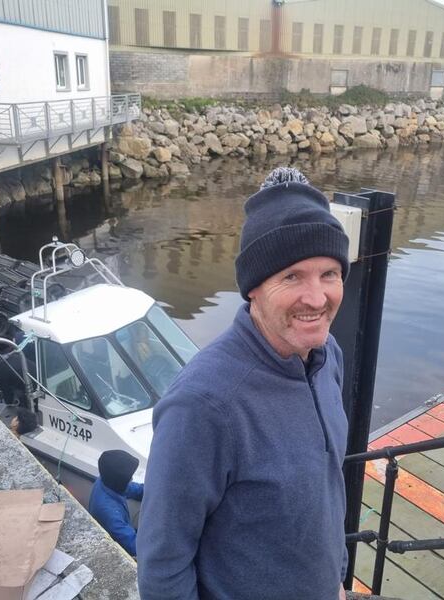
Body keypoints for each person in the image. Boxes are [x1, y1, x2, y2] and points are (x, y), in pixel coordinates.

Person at [137, 167, 351, 600]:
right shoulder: (204, 405)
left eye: (329, 273)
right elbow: (162, 566)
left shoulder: (328, 357)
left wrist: (336, 580)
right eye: (291, 276)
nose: (316, 297)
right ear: (253, 288)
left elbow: (324, 487)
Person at [88, 449, 144, 557]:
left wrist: (158, 490)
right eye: (129, 478)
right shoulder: (109, 514)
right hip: (118, 549)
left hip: (125, 532)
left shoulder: (107, 481)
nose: (132, 478)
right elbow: (135, 546)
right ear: (119, 482)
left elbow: (134, 489)